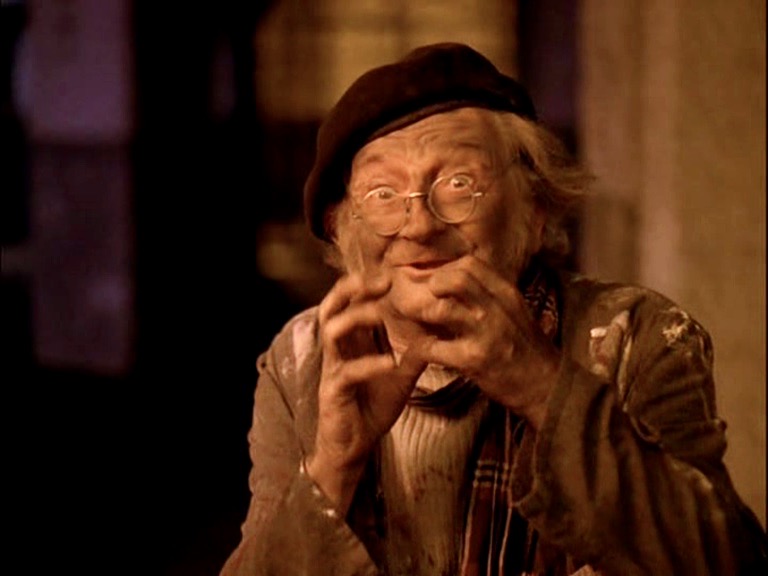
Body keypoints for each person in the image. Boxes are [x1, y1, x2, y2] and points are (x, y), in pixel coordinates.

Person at [220, 42, 767, 576]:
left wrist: (540, 384)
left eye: (459, 184)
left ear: (533, 208)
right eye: (382, 194)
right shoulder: (304, 360)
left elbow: (725, 561)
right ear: (344, 232)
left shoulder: (636, 336)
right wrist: (333, 464)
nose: (420, 225)